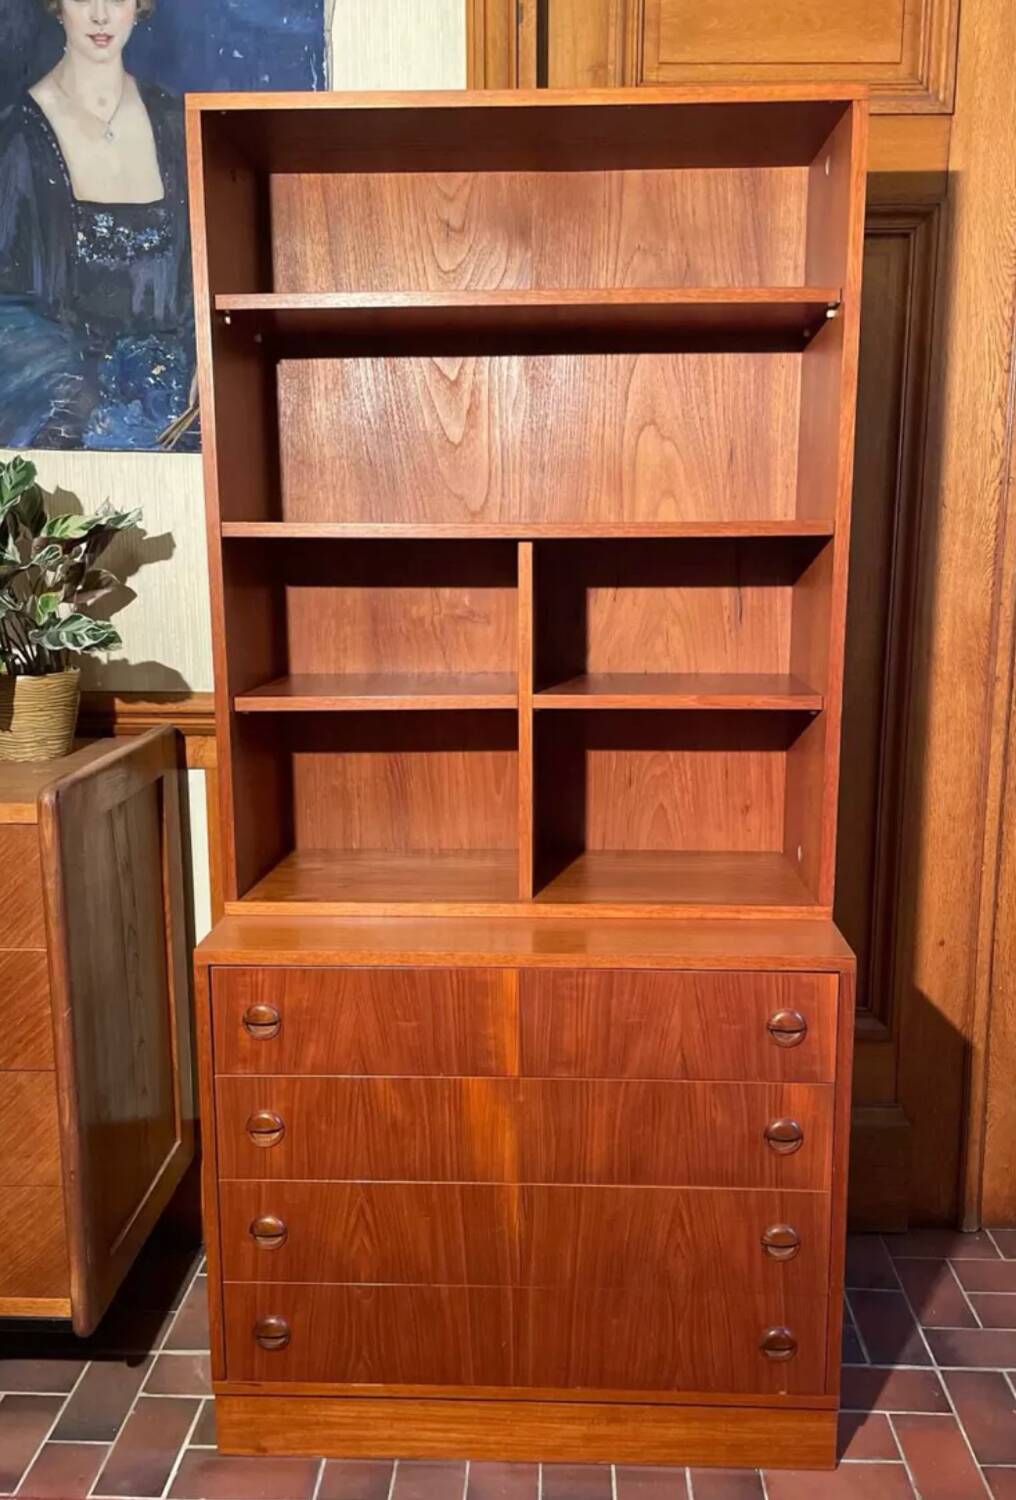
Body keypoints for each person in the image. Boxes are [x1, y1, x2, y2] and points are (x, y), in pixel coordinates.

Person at [0, 0, 197, 450]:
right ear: (57, 5)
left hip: (178, 419)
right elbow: (8, 312)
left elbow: (206, 277)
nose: (101, 15)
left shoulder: (176, 126)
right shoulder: (17, 141)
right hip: (68, 419)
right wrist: (87, 391)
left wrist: (208, 359)